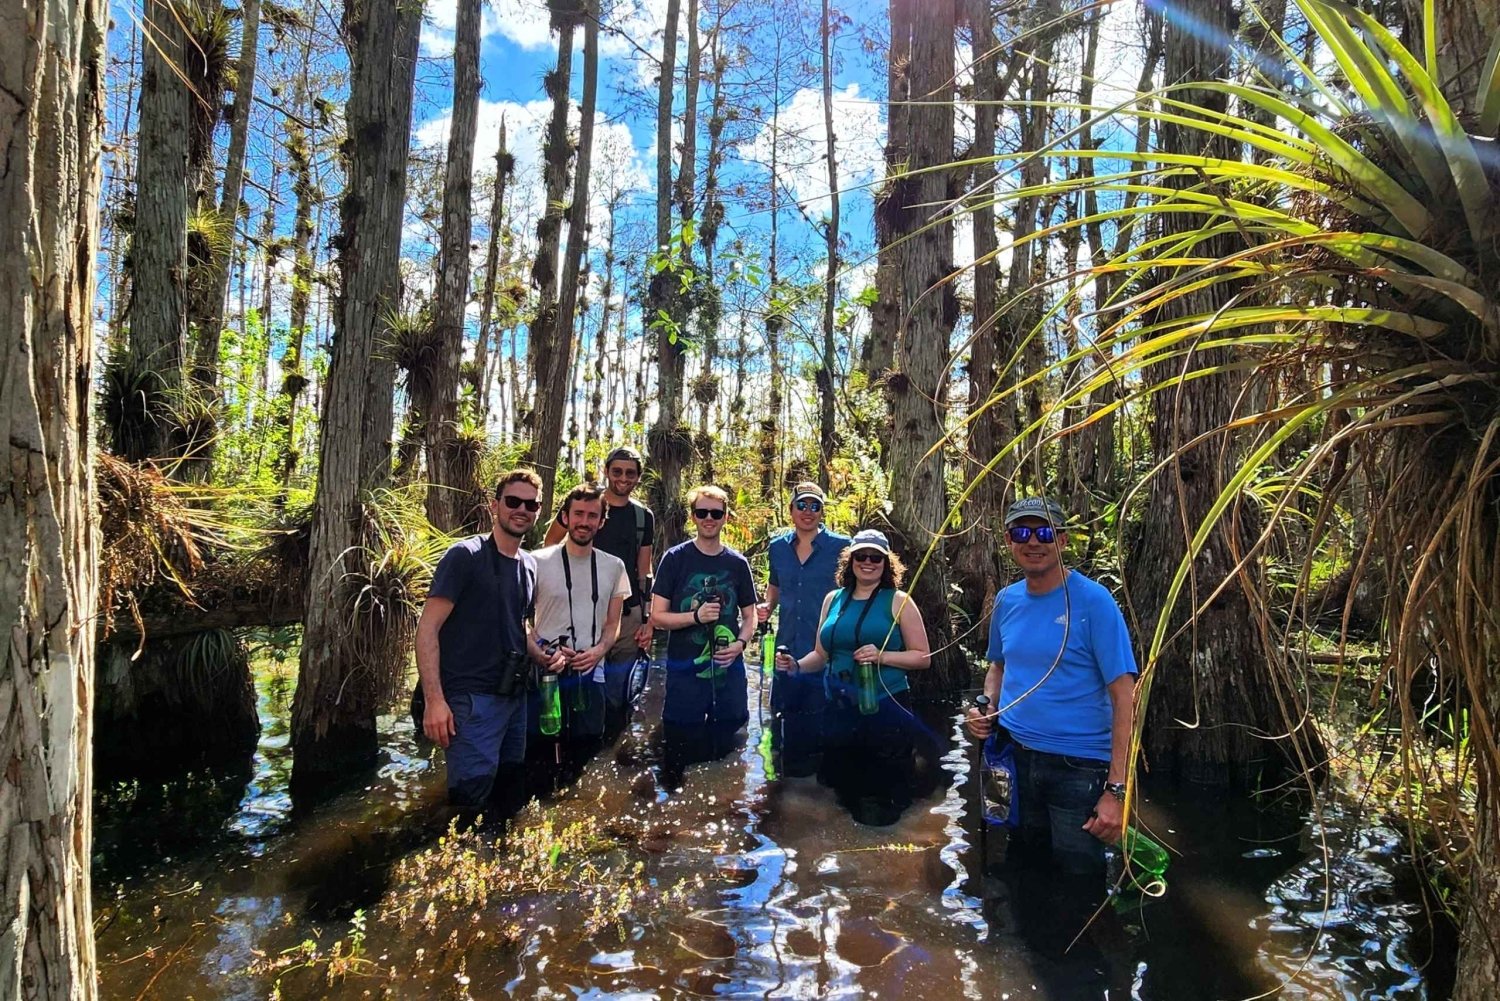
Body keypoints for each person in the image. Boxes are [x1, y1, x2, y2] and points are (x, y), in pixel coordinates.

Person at [964, 496, 1138, 875]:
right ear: (1009, 541)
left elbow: (1125, 697)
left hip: (1078, 767)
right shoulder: (1007, 601)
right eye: (1021, 532)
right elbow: (998, 665)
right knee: (1024, 864)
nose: (1033, 542)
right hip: (1015, 756)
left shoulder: (1094, 603)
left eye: (1044, 532)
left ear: (1062, 540)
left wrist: (1116, 791)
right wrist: (986, 706)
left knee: (1078, 876)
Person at [415, 468, 551, 822]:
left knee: (508, 788)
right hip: (471, 699)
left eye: (530, 504)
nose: (521, 509)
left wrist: (543, 655)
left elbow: (518, 623)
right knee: (469, 798)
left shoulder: (529, 565)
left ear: (538, 511)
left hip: (514, 697)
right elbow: (427, 628)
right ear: (495, 506)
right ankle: (454, 865)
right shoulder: (466, 556)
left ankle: (497, 864)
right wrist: (435, 701)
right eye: (513, 501)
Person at [776, 529, 931, 825]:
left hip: (885, 707)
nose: (868, 562)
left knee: (883, 798)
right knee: (842, 794)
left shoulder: (898, 601)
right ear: (850, 561)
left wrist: (882, 656)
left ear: (887, 563)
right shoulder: (833, 599)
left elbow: (922, 657)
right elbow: (821, 654)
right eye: (861, 556)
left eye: (876, 557)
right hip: (839, 709)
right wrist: (795, 666)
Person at [650, 485, 758, 786]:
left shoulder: (737, 564)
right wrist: (694, 617)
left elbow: (751, 616)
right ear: (693, 517)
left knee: (731, 750)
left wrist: (740, 644)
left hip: (728, 672)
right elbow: (657, 617)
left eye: (716, 513)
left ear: (725, 518)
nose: (709, 518)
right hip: (685, 672)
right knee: (678, 750)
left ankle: (724, 809)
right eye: (702, 512)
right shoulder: (675, 559)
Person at [546, 446, 655, 730]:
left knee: (618, 693)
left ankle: (611, 749)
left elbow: (644, 571)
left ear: (638, 477)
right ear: (606, 471)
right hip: (581, 612)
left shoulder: (643, 517)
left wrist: (647, 620)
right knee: (577, 688)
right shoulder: (585, 506)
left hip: (626, 612)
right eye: (617, 471)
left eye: (630, 473)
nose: (623, 478)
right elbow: (550, 545)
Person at [529, 483, 631, 753]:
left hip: (591, 672)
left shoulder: (614, 566)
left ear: (601, 521)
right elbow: (519, 619)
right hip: (547, 671)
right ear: (566, 517)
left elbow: (613, 624)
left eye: (592, 516)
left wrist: (598, 651)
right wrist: (540, 651)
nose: (584, 522)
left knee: (586, 752)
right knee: (542, 753)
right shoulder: (535, 562)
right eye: (578, 514)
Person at [757, 482, 850, 776]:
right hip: (786, 645)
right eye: (802, 505)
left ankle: (819, 789)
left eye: (815, 506)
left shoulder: (842, 546)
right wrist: (767, 606)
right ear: (791, 510)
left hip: (825, 649)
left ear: (822, 511)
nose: (808, 512)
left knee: (822, 721)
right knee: (783, 719)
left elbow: (852, 589)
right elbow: (775, 585)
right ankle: (782, 784)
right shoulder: (776, 547)